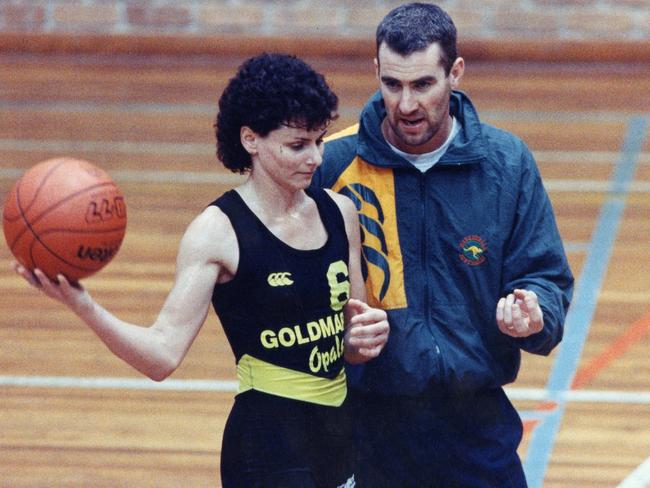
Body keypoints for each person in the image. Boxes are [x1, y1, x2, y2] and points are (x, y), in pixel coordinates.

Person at [14, 52, 389, 488]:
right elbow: (161, 356)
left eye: (319, 141)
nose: (315, 158)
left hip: (338, 436)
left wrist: (362, 339)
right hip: (266, 447)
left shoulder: (341, 213)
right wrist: (85, 306)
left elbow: (350, 341)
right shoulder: (216, 232)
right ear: (250, 139)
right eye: (296, 145)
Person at [312, 3, 574, 487]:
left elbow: (545, 276)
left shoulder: (506, 164)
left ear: (455, 72)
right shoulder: (332, 167)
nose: (406, 104)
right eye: (392, 84)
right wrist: (336, 343)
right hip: (368, 428)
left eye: (423, 85)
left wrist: (536, 313)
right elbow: (291, 292)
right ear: (376, 72)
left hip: (476, 425)